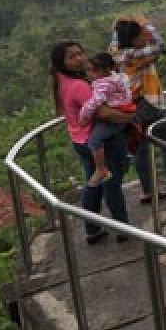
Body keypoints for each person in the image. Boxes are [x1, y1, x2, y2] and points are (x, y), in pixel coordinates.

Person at [51, 41, 132, 244]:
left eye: (80, 53)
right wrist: (130, 117)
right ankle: (123, 229)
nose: (79, 58)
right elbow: (102, 112)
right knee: (111, 183)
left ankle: (92, 229)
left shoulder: (62, 81)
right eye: (72, 56)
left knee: (93, 182)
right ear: (62, 62)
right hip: (100, 142)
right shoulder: (79, 85)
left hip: (80, 140)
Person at [112, 17, 166, 204]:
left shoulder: (117, 53)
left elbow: (116, 37)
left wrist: (123, 25)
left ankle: (147, 192)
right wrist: (145, 22)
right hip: (149, 103)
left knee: (140, 149)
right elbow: (160, 43)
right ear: (134, 39)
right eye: (143, 35)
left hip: (130, 107)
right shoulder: (141, 53)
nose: (147, 36)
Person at [77, 53, 136, 188]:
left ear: (107, 70)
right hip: (125, 111)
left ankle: (101, 169)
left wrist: (83, 116)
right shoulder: (118, 77)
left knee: (94, 141)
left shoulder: (102, 83)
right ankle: (123, 158)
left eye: (95, 70)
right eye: (89, 70)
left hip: (113, 117)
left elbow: (96, 102)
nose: (91, 73)